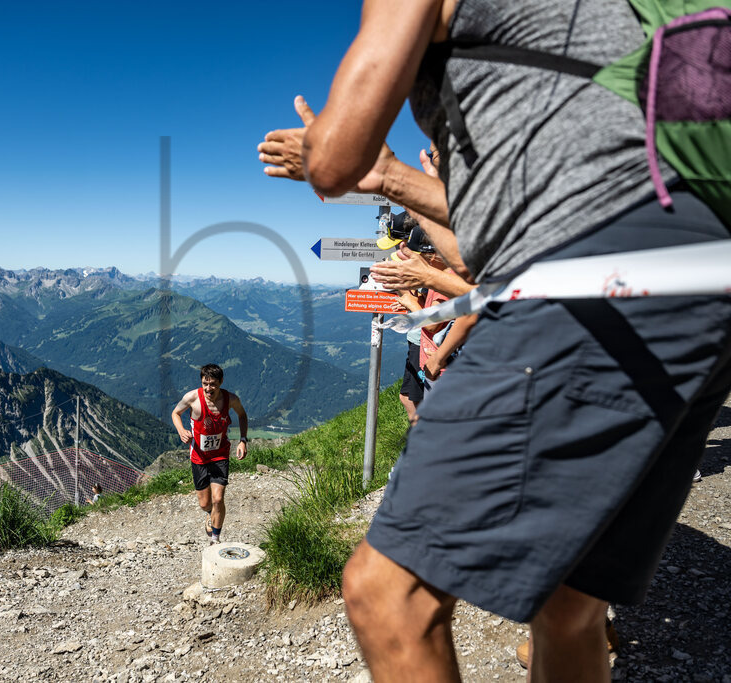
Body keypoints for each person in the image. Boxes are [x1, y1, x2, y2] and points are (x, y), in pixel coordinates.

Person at [260, 1, 731, 681]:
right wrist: (391, 176)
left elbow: (333, 160)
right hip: (694, 270)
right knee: (571, 605)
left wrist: (324, 152)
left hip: (595, 273)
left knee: (388, 594)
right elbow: (489, 244)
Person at [171, 364, 248, 545]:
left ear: (221, 382)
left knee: (218, 499)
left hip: (220, 455)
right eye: (205, 383)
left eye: (213, 384)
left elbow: (242, 415)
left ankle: (215, 539)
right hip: (199, 457)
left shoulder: (231, 399)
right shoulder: (192, 398)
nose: (208, 388)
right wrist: (181, 430)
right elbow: (175, 413)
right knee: (205, 504)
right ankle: (209, 515)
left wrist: (243, 440)